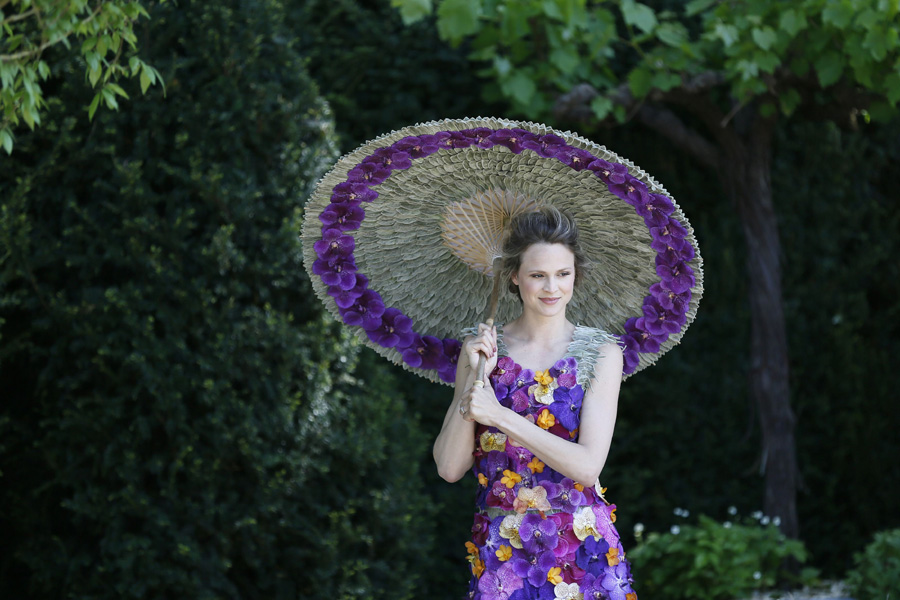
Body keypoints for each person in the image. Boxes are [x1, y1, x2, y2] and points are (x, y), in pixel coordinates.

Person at [433, 207, 639, 599]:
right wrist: (474, 378)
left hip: (583, 553)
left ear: (575, 275)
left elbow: (588, 466)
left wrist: (500, 416)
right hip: (502, 559)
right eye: (538, 275)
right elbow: (449, 467)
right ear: (514, 276)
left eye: (563, 274)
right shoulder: (480, 351)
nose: (552, 288)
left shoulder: (601, 354)